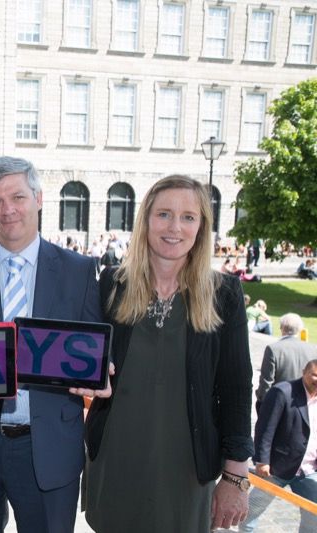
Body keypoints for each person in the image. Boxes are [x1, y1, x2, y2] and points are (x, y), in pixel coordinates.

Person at [0, 156, 104, 533]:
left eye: (17, 197)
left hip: (49, 448)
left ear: (39, 199)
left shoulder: (79, 270)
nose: (7, 210)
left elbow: (92, 349)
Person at [85, 175, 253, 532]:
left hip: (187, 469)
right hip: (117, 459)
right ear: (145, 220)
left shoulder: (224, 294)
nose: (174, 227)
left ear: (202, 227)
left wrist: (235, 475)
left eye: (188, 217)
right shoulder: (112, 285)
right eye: (163, 214)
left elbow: (237, 387)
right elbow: (89, 362)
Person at [240, 360, 317, 533]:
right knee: (252, 509)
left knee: (314, 515)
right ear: (303, 371)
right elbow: (265, 427)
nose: (316, 380)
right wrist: (262, 460)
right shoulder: (283, 392)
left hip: (308, 469)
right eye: (314, 374)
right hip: (277, 467)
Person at [255, 313, 317, 413]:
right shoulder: (313, 349)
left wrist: (262, 400)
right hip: (305, 404)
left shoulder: (273, 349)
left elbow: (266, 382)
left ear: (282, 328)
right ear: (300, 329)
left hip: (279, 403)